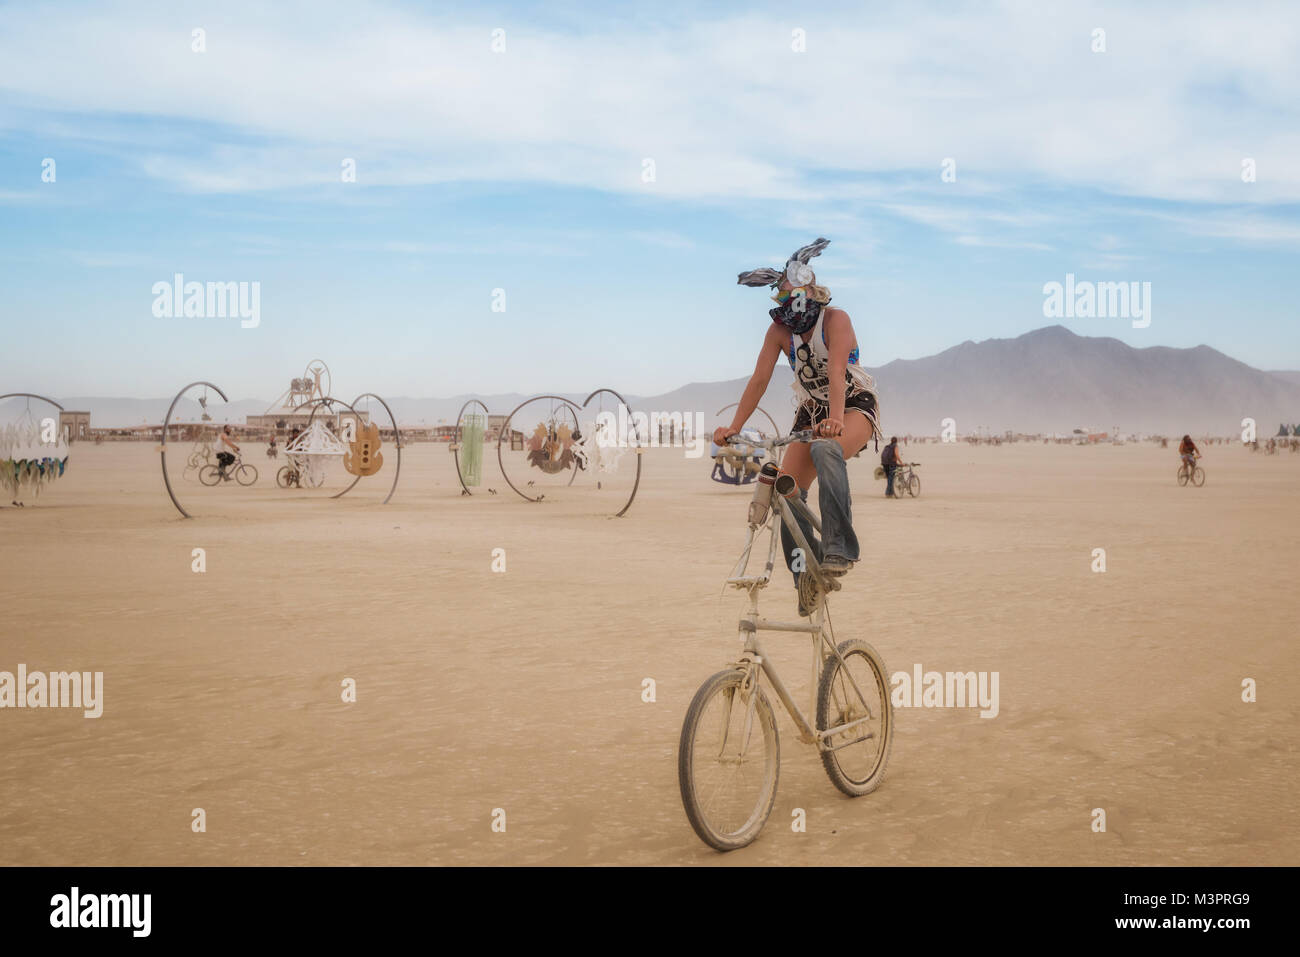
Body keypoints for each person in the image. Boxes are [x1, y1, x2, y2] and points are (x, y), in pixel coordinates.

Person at [714, 238, 880, 612]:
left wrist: (836, 419)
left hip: (851, 404)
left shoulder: (836, 320)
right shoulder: (778, 332)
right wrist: (733, 427)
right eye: (781, 296)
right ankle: (805, 576)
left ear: (809, 290)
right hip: (811, 411)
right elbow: (758, 381)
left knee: (826, 447)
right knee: (784, 492)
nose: (786, 302)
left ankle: (840, 547)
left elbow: (837, 372)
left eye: (792, 293)